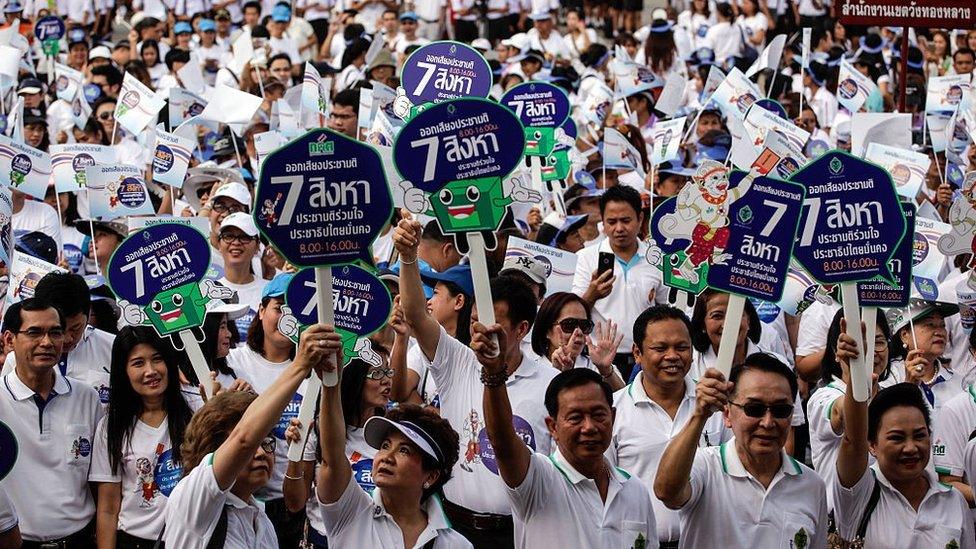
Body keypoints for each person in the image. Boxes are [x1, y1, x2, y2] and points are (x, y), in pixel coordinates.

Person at [394, 215, 557, 548]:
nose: (481, 332)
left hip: (524, 531)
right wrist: (408, 257)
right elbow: (415, 314)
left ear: (522, 329)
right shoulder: (457, 362)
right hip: (455, 526)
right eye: (475, 322)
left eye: (493, 323)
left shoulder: (551, 384)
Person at [475, 319, 657, 548]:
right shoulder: (538, 480)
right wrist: (494, 373)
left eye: (598, 415)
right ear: (553, 427)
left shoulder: (635, 491)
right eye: (575, 417)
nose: (589, 427)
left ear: (612, 417)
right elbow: (502, 441)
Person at [163, 323, 339, 548]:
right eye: (254, 443)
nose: (260, 453)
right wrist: (302, 363)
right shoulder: (195, 498)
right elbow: (243, 439)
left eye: (267, 442)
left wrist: (332, 381)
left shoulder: (262, 522)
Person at [655, 354, 828, 548]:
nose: (768, 422)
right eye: (754, 409)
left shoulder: (812, 486)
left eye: (781, 410)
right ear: (727, 414)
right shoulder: (705, 467)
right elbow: (666, 491)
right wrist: (700, 415)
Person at [833, 327, 974, 548]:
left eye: (919, 435)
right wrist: (857, 371)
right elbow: (852, 438)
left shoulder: (953, 501)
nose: (910, 448)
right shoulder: (859, 494)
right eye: (897, 438)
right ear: (872, 444)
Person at [611, 305, 730, 546]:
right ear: (637, 352)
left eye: (682, 347)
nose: (673, 356)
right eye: (660, 348)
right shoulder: (613, 410)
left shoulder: (715, 405)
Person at [0, 298, 102, 546]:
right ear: (9, 340)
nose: (47, 342)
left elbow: (100, 479)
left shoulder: (87, 397)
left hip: (80, 540)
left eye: (55, 332)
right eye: (34, 332)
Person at [89, 327, 195, 548]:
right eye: (138, 363)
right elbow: (108, 508)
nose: (150, 371)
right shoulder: (110, 427)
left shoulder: (197, 410)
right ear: (123, 371)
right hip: (134, 540)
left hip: (189, 540)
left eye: (157, 359)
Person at [226, 273, 306, 547]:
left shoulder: (314, 372)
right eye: (279, 307)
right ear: (260, 311)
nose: (287, 317)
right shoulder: (234, 362)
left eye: (296, 309)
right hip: (238, 498)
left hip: (290, 504)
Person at [283, 358, 393, 548]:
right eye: (376, 373)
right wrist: (295, 455)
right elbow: (295, 504)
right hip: (323, 540)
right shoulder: (318, 431)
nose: (387, 381)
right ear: (353, 380)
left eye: (388, 372)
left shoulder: (391, 433)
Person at [572, 185, 664, 378]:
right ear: (603, 223)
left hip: (647, 359)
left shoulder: (657, 259)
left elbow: (667, 308)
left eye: (626, 220)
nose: (619, 228)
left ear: (640, 219)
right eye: (611, 222)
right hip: (600, 360)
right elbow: (574, 315)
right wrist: (592, 294)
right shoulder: (585, 258)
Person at [3, 271, 116, 406]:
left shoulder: (114, 348)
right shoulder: (18, 358)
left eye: (75, 328)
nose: (67, 338)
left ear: (88, 314)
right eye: (58, 330)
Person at [807, 309, 892, 487]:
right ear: (836, 351)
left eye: (878, 342)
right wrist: (857, 378)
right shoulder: (824, 396)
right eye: (859, 344)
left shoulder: (891, 396)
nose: (869, 352)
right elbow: (843, 413)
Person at [530, 292, 624, 390]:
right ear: (547, 331)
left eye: (584, 326)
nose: (578, 332)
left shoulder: (597, 366)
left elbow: (624, 401)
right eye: (569, 325)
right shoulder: (532, 371)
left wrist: (606, 370)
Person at [886, 300, 962, 414]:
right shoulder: (888, 377)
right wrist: (909, 386)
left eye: (942, 325)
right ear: (904, 336)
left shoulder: (959, 381)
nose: (940, 332)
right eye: (930, 325)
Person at [216, 213, 268, 335]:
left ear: (257, 247)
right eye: (228, 236)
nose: (236, 242)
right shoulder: (207, 291)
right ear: (219, 244)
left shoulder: (269, 290)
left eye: (244, 237)